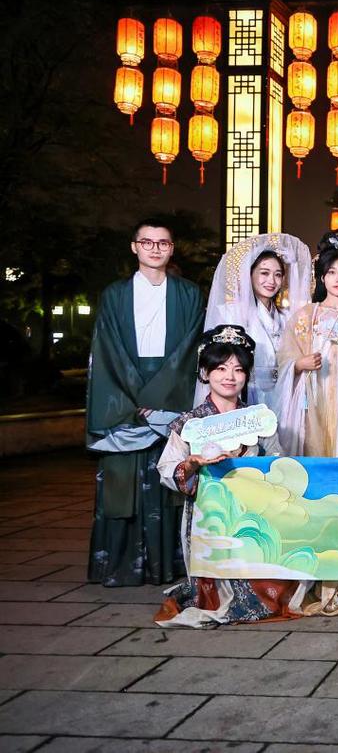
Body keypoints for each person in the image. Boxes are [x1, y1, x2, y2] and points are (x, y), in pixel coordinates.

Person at [154, 325, 308, 627]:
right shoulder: (190, 423)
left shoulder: (258, 420)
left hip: (253, 513)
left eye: (238, 369)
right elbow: (167, 468)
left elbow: (277, 460)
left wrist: (264, 471)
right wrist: (192, 464)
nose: (230, 376)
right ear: (205, 372)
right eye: (221, 368)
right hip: (208, 515)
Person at [86, 217, 203, 586]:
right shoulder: (115, 295)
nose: (155, 249)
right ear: (134, 247)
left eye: (163, 243)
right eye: (147, 242)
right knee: (122, 483)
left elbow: (188, 352)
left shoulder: (189, 294)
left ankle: (170, 566)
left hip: (170, 396)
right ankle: (120, 567)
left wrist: (157, 401)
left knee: (171, 481)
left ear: (172, 248)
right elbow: (108, 351)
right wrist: (134, 399)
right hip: (123, 396)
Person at [275, 230, 338, 457]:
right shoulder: (306, 315)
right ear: (322, 277)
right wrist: (299, 364)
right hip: (314, 389)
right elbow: (285, 356)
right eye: (332, 272)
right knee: (313, 442)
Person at [198, 233, 312, 413]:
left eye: (278, 275)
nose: (271, 281)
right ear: (249, 275)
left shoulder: (286, 318)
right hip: (244, 394)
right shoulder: (230, 313)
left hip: (283, 396)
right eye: (264, 273)